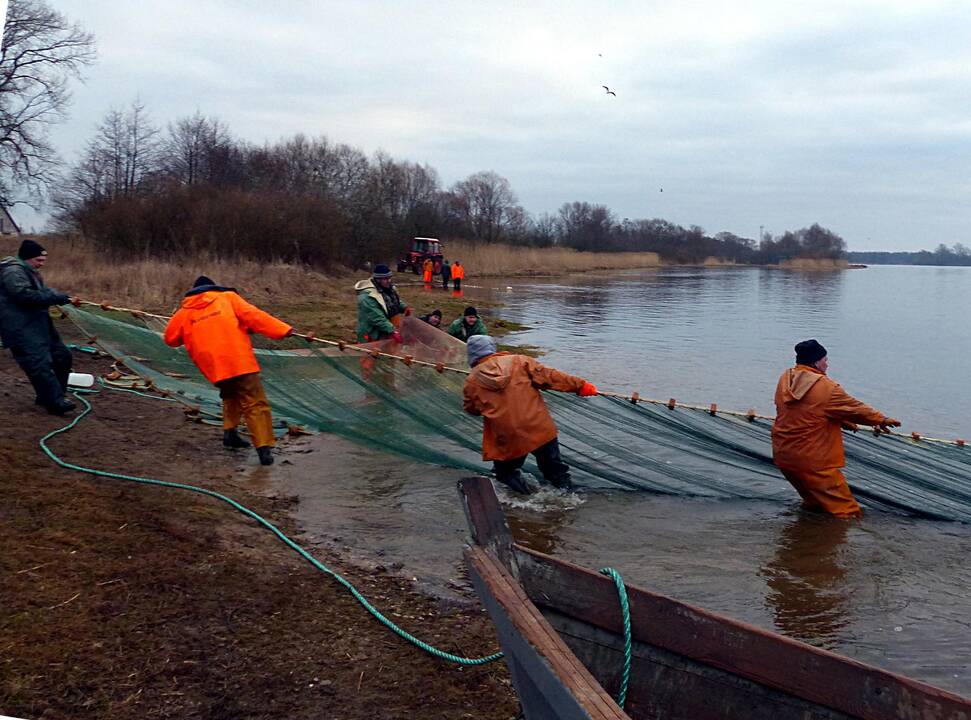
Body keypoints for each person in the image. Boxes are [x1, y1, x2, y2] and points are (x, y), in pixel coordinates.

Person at [163, 276, 293, 466]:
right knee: (255, 403)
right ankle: (264, 449)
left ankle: (230, 433)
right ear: (214, 288)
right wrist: (283, 330)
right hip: (239, 361)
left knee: (230, 395)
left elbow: (170, 339)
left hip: (214, 367)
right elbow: (254, 316)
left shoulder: (184, 312)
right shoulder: (228, 298)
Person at [772, 339, 901, 517]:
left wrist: (838, 420)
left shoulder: (786, 380)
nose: (827, 363)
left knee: (815, 505)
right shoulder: (826, 387)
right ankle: (833, 541)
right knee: (847, 513)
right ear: (816, 362)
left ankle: (805, 537)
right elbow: (855, 409)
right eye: (825, 359)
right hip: (814, 463)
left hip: (785, 457)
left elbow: (802, 411)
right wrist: (882, 419)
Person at [463, 334, 598, 494]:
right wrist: (580, 386)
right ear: (492, 348)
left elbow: (472, 409)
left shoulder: (472, 381)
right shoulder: (519, 361)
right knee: (555, 471)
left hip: (508, 437)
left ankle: (525, 499)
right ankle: (567, 501)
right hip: (539, 428)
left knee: (505, 473)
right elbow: (550, 377)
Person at [0, 239, 76, 414]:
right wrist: (53, 297)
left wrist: (54, 295)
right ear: (27, 258)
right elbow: (24, 295)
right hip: (20, 326)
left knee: (62, 356)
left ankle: (51, 396)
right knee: (39, 364)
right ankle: (55, 402)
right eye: (38, 260)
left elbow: (37, 294)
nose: (41, 264)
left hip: (38, 323)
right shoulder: (13, 272)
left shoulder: (30, 271)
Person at [354, 264, 409, 343]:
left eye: (390, 278)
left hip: (386, 329)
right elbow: (377, 318)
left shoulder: (389, 288)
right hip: (371, 333)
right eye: (386, 279)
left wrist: (404, 307)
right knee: (370, 354)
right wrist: (392, 331)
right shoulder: (367, 297)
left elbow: (392, 301)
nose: (389, 281)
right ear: (378, 279)